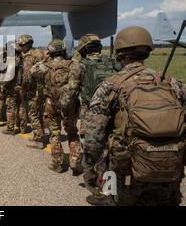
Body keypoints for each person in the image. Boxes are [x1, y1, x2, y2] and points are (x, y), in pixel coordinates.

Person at [83, 26, 185, 206]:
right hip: (170, 167)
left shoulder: (110, 87)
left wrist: (92, 168)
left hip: (126, 173)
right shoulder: (172, 83)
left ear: (120, 53)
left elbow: (93, 140)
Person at [31, 39, 85, 173]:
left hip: (51, 104)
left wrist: (43, 60)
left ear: (50, 52)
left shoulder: (45, 66)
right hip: (70, 105)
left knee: (54, 133)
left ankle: (58, 163)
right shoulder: (75, 65)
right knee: (72, 132)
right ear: (64, 51)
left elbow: (32, 71)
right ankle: (75, 160)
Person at [77, 34, 121, 197]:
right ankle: (112, 187)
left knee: (93, 149)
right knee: (111, 149)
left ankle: (100, 188)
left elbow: (71, 91)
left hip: (92, 113)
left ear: (83, 50)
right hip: (115, 112)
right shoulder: (113, 63)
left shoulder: (80, 65)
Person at [16, 35, 45, 149]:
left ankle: (38, 139)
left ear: (28, 44)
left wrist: (23, 89)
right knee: (39, 113)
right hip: (41, 88)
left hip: (33, 90)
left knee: (33, 114)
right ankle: (40, 134)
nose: (21, 47)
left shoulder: (29, 57)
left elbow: (27, 77)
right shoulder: (38, 54)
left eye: (22, 45)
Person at [2, 39, 26, 135]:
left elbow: (8, 76)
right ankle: (23, 128)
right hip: (22, 86)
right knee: (21, 107)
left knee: (10, 107)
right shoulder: (23, 59)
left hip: (13, 87)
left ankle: (10, 128)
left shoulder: (11, 60)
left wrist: (4, 86)